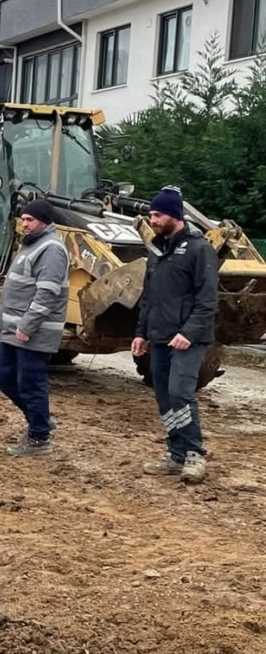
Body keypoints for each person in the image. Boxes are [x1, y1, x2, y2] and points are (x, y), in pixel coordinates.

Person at [132, 186, 218, 483]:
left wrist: (189, 332)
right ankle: (175, 453)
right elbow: (149, 297)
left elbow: (207, 300)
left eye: (157, 214)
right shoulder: (156, 251)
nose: (151, 219)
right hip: (159, 337)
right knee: (164, 396)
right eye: (151, 214)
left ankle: (194, 454)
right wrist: (141, 333)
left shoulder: (198, 249)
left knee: (181, 393)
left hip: (187, 338)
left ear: (175, 216)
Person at [0, 199, 70, 457]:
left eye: (30, 220)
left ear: (45, 221)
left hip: (33, 333)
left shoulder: (52, 249)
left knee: (31, 384)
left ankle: (39, 438)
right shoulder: (30, 245)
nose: (24, 224)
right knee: (3, 375)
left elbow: (47, 293)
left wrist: (28, 325)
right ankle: (41, 419)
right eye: (23, 219)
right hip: (14, 331)